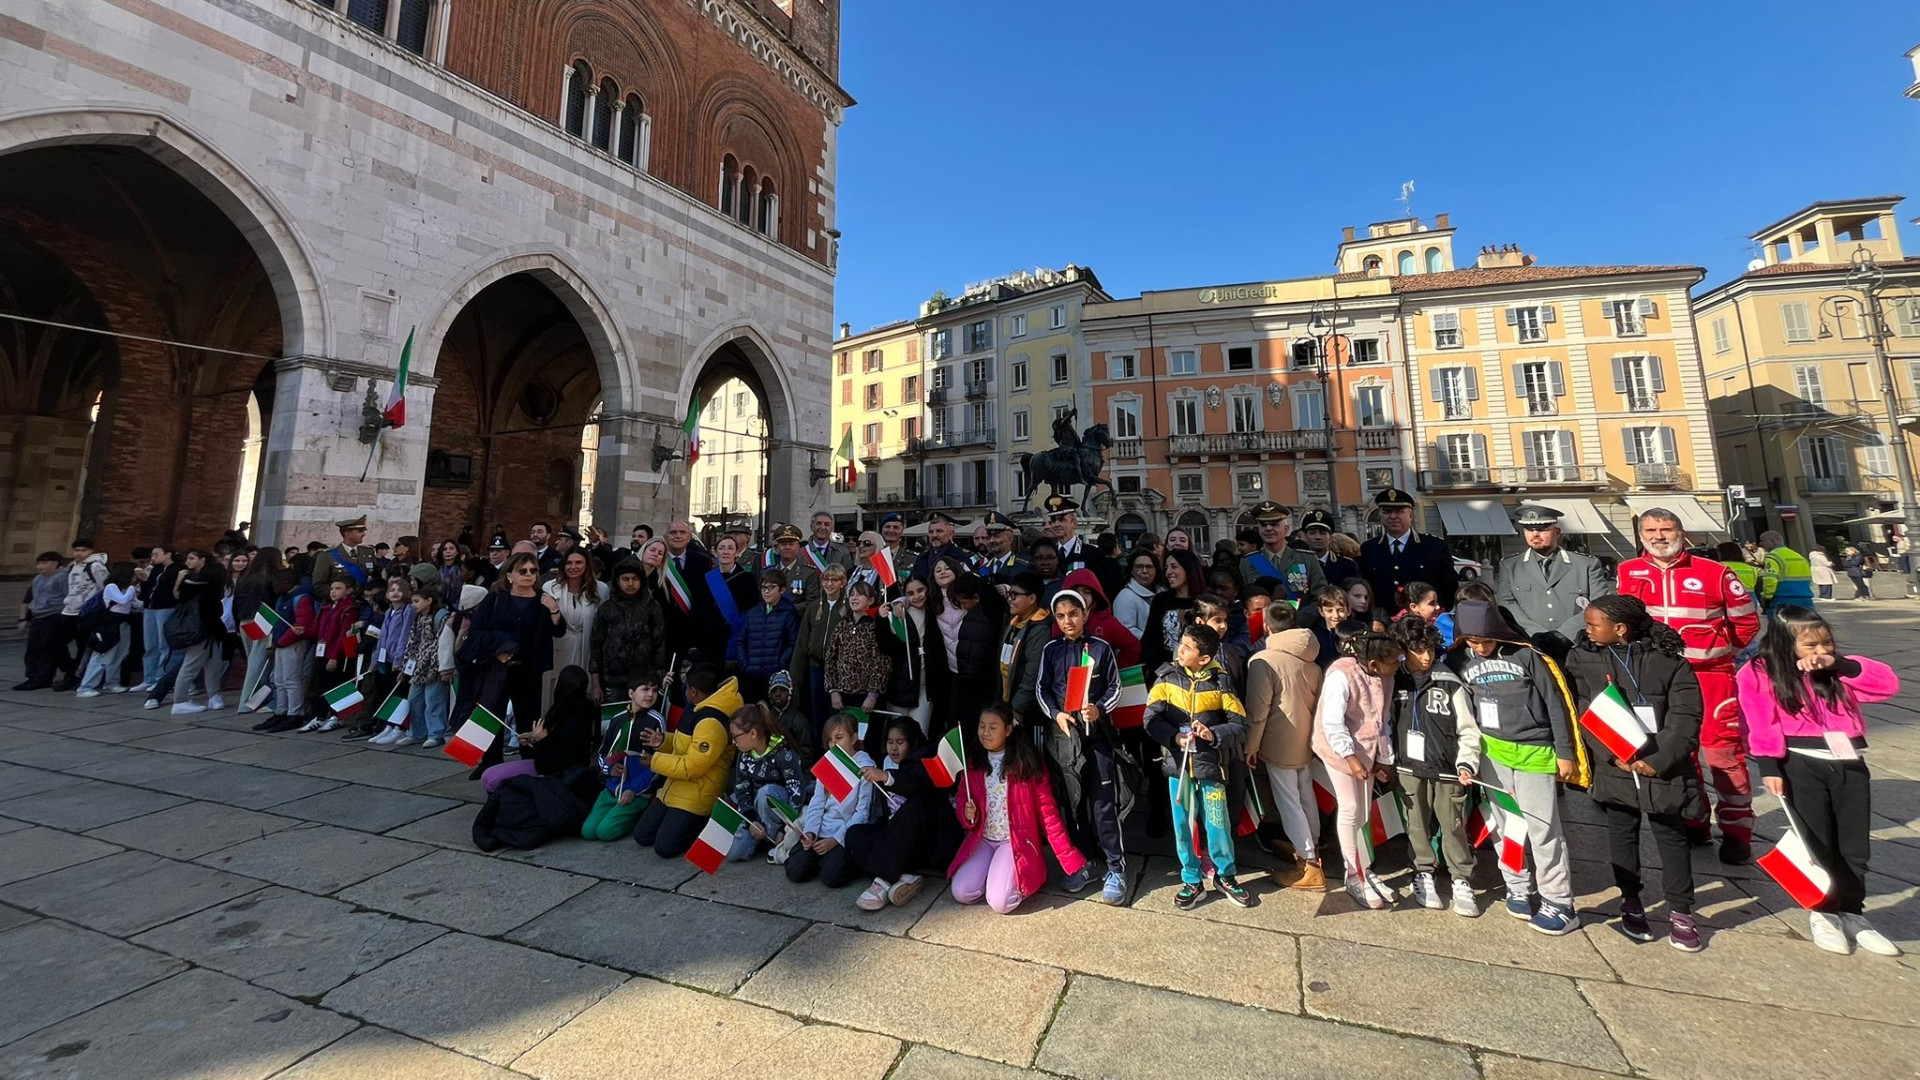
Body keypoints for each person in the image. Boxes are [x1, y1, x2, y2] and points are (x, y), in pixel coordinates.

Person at [1739, 605, 1901, 955]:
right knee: (1817, 843)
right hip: (1801, 763)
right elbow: (1760, 719)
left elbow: (1886, 685)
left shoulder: (1838, 668)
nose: (1820, 651)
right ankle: (1823, 912)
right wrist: (1769, 766)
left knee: (1854, 844)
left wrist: (1838, 666)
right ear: (1786, 644)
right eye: (1810, 645)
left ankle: (1853, 911)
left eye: (1826, 643)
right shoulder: (1759, 671)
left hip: (1848, 762)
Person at [1616, 507, 1760, 863]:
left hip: (1710, 675)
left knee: (1723, 753)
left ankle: (1737, 830)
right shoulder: (1627, 571)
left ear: (1681, 532)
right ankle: (1693, 818)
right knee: (1678, 752)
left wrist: (1720, 653)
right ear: (1641, 535)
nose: (1659, 536)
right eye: (1651, 530)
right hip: (1658, 678)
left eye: (1666, 529)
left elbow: (1746, 624)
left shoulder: (1715, 572)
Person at [1566, 595, 1706, 951]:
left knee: (1670, 835)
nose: (1587, 630)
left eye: (1594, 624)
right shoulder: (1583, 657)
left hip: (1664, 763)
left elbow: (1686, 713)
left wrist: (1660, 757)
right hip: (1616, 761)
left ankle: (1681, 910)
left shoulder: (1669, 661)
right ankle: (1631, 899)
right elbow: (1583, 707)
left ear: (1620, 628)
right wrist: (1612, 755)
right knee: (1621, 833)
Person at [1449, 600, 1582, 935]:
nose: (1480, 647)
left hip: (1535, 752)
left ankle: (1559, 900)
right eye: (1473, 641)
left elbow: (1556, 703)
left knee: (1543, 829)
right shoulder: (1461, 659)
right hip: (1493, 755)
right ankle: (1517, 884)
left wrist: (1565, 752)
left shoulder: (1528, 656)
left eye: (1486, 640)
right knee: (1506, 826)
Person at [1146, 623, 1254, 908]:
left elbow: (1240, 725)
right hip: (1176, 768)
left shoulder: (1221, 681)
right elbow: (1150, 718)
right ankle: (1192, 878)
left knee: (1218, 824)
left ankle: (1225, 875)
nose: (1180, 649)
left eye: (1187, 647)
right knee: (1183, 825)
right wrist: (1174, 737)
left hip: (1211, 767)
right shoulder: (1166, 677)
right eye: (1181, 643)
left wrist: (1213, 734)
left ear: (1204, 658)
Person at [949, 703, 1088, 914]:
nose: (985, 733)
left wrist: (1069, 858)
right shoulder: (973, 762)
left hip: (1014, 842)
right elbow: (962, 799)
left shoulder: (1027, 764)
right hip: (983, 839)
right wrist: (966, 814)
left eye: (993, 727)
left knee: (1000, 903)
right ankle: (997, 874)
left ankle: (1024, 876)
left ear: (1008, 730)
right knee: (961, 892)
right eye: (982, 726)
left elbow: (1048, 813)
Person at [1037, 587, 1127, 904]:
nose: (1067, 621)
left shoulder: (1101, 648)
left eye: (1073, 614)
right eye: (1061, 616)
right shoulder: (1050, 650)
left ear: (1085, 614)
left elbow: (1115, 687)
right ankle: (1085, 862)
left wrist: (1099, 708)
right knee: (1073, 804)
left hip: (1097, 736)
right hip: (1065, 738)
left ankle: (1116, 866)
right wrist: (1057, 714)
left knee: (1103, 802)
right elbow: (1042, 689)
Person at [1387, 615, 1481, 917]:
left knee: (1453, 825)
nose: (1426, 656)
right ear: (1403, 650)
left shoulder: (1450, 682)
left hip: (1447, 768)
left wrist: (1467, 760)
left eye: (1429, 649)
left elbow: (1468, 727)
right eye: (1418, 650)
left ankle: (1461, 878)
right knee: (1415, 824)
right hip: (1408, 768)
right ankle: (1422, 871)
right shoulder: (1394, 681)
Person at [1311, 622, 1401, 910]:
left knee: (1363, 809)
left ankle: (1365, 865)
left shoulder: (1385, 676)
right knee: (1349, 808)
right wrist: (1349, 757)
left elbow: (1382, 720)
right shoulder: (1341, 674)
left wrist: (1385, 759)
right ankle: (1354, 874)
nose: (1397, 667)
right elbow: (1332, 721)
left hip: (1368, 750)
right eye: (1392, 663)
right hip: (1339, 750)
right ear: (1374, 662)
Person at [461, 551, 566, 771]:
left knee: (528, 718)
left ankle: (528, 764)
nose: (529, 575)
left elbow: (558, 631)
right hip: (497, 667)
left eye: (533, 571)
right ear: (509, 575)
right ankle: (490, 764)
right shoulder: (496, 598)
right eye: (523, 571)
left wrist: (554, 609)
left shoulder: (542, 600)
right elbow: (478, 631)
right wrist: (498, 651)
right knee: (491, 714)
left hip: (529, 669)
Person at [1245, 620, 1325, 889]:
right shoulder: (1312, 661)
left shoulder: (1263, 660)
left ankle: (1309, 863)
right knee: (1305, 797)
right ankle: (1311, 848)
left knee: (1289, 802)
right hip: (1306, 740)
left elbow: (1258, 711)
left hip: (1278, 741)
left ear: (1268, 627)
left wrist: (1251, 746)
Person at [631, 667, 736, 858]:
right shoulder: (698, 710)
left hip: (697, 795)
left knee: (665, 848)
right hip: (675, 787)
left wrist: (655, 761)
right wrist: (662, 741)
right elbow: (686, 744)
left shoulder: (711, 723)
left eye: (686, 688)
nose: (685, 692)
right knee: (642, 836)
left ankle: (703, 822)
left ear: (694, 691)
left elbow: (691, 767)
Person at [849, 716, 947, 911]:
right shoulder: (883, 761)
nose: (894, 748)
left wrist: (885, 776)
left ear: (912, 743)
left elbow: (916, 782)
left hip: (920, 841)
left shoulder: (925, 761)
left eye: (900, 742)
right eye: (890, 742)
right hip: (893, 838)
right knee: (855, 834)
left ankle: (883, 881)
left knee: (914, 805)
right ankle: (904, 877)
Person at [1495, 504, 1614, 660]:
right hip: (1532, 647)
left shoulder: (1585, 564)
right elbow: (1506, 605)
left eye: (1543, 528)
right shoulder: (1510, 566)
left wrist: (1564, 634)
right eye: (1529, 529)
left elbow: (1600, 604)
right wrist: (1535, 634)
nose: (1535, 534)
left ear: (1557, 532)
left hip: (1577, 646)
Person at [786, 713, 875, 886]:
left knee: (832, 877)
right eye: (830, 740)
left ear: (854, 737)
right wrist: (811, 831)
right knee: (795, 871)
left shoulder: (865, 767)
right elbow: (817, 802)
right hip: (822, 828)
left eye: (839, 738)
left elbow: (862, 813)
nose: (834, 744)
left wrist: (835, 840)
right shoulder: (829, 761)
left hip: (845, 832)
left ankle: (835, 861)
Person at [923, 561, 1002, 740]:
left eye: (964, 602)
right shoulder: (936, 601)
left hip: (977, 679)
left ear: (975, 598)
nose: (962, 605)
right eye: (937, 570)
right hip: (957, 674)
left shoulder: (984, 612)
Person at [722, 702, 809, 862]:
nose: (734, 742)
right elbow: (741, 789)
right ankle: (763, 837)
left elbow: (796, 794)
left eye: (735, 736)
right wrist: (751, 821)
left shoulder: (784, 753)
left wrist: (786, 828)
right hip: (756, 812)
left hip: (780, 812)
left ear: (753, 733)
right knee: (733, 853)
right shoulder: (744, 754)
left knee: (766, 793)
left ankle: (775, 837)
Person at [582, 683, 664, 842]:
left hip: (638, 792)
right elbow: (603, 752)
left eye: (654, 690)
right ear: (631, 693)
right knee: (589, 831)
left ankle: (637, 817)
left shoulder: (656, 721)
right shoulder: (616, 719)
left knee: (605, 832)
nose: (650, 695)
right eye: (645, 689)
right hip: (612, 788)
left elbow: (658, 763)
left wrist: (633, 790)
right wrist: (609, 769)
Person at [1359, 488, 1458, 611]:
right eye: (1387, 512)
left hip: (1424, 622)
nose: (1393, 516)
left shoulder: (1433, 546)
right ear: (1380, 516)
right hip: (1384, 621)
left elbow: (1449, 587)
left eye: (1399, 511)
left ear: (1411, 515)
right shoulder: (1369, 549)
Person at [155, 550, 228, 714]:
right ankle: (180, 700)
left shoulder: (199, 581)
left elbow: (179, 596)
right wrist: (180, 579)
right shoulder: (196, 582)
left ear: (202, 560)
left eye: (192, 558)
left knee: (213, 664)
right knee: (192, 665)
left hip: (208, 628)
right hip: (201, 628)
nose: (188, 561)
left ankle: (213, 696)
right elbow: (179, 596)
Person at [823, 580, 899, 738]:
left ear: (870, 600)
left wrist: (873, 695)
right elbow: (830, 658)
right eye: (851, 594)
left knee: (866, 741)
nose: (854, 598)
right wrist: (833, 690)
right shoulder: (842, 625)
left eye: (860, 594)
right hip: (843, 697)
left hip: (867, 699)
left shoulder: (876, 626)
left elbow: (882, 662)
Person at [590, 556, 668, 707]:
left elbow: (660, 643)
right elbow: (595, 646)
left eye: (635, 579)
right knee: (614, 724)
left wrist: (658, 679)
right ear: (617, 581)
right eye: (625, 579)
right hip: (612, 681)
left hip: (644, 681)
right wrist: (595, 685)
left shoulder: (651, 607)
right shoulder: (606, 608)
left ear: (642, 581)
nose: (630, 583)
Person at [543, 549, 607, 709]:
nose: (573, 567)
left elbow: (601, 628)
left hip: (585, 652)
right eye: (569, 563)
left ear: (587, 565)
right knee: (553, 699)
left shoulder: (601, 590)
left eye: (578, 562)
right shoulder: (550, 587)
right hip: (557, 651)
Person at [397, 582, 456, 748]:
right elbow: (413, 643)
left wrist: (435, 668)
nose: (413, 605)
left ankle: (435, 733)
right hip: (418, 668)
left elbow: (441, 645)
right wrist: (406, 667)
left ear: (429, 600)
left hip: (434, 668)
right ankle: (416, 732)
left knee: (434, 701)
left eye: (416, 601)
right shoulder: (418, 618)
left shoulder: (441, 617)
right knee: (414, 700)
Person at [791, 563, 847, 735]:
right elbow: (802, 642)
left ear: (842, 583)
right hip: (816, 667)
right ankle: (817, 753)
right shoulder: (814, 607)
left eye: (834, 580)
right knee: (817, 713)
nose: (829, 584)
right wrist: (795, 675)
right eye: (826, 579)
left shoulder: (848, 608)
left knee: (836, 714)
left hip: (839, 670)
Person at [729, 571, 800, 704]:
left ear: (782, 590)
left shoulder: (788, 614)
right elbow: (741, 641)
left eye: (771, 587)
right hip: (752, 675)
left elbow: (793, 643)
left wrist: (780, 664)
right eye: (763, 587)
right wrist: (745, 665)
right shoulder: (753, 613)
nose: (766, 592)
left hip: (775, 676)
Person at [1238, 502, 1328, 605]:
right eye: (1263, 525)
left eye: (1274, 524)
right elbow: (1245, 600)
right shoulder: (1247, 562)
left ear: (1286, 529)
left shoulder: (1307, 559)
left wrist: (1302, 618)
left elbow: (1320, 597)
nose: (1268, 528)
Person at [1000, 572, 1053, 735]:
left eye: (1015, 595)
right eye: (1009, 594)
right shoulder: (1012, 622)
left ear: (1032, 598)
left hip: (1029, 713)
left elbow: (1032, 674)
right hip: (1007, 704)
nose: (1010, 599)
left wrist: (1017, 708)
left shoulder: (1040, 629)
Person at [75, 562, 139, 697]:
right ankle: (86, 686)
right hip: (109, 624)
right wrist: (132, 589)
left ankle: (112, 683)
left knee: (119, 654)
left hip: (124, 623)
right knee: (104, 655)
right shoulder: (111, 587)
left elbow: (135, 603)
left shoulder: (125, 589)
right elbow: (122, 600)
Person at [1141, 549, 1206, 677]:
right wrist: (1160, 669)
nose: (1169, 572)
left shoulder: (1204, 602)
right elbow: (1149, 639)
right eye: (1166, 567)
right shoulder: (1161, 600)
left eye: (1174, 566)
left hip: (1199, 673)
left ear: (1189, 569)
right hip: (1165, 674)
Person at [56, 539, 110, 690]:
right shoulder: (73, 566)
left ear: (90, 551)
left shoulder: (95, 566)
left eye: (83, 550)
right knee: (55, 642)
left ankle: (75, 676)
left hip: (86, 611)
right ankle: (70, 668)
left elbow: (103, 587)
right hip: (69, 609)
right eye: (76, 550)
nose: (79, 553)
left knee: (83, 647)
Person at [16, 552, 70, 691]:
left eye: (45, 563)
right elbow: (31, 599)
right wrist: (25, 617)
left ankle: (46, 676)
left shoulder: (62, 577)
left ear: (56, 563)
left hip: (53, 615)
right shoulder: (38, 579)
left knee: (50, 647)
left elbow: (67, 596)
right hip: (38, 615)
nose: (40, 567)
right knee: (33, 648)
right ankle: (33, 676)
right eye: (39, 563)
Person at [310, 515, 378, 598]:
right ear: (348, 534)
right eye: (360, 531)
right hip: (340, 605)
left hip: (365, 604)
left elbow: (377, 576)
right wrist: (338, 595)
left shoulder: (368, 552)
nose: (363, 534)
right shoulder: (327, 555)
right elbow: (319, 585)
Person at [1292, 509, 1358, 586]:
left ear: (1330, 538)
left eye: (1322, 533)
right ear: (1306, 537)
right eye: (1312, 533)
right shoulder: (1297, 565)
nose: (1317, 537)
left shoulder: (1347, 565)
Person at [765, 523, 822, 606]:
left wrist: (787, 610)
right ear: (777, 547)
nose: (787, 547)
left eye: (791, 544)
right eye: (783, 544)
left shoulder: (809, 573)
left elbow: (811, 602)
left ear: (798, 546)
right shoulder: (768, 572)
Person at [1758, 530, 1815, 613]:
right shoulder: (1798, 556)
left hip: (1782, 599)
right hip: (1805, 598)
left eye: (1762, 540)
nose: (1760, 544)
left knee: (1781, 625)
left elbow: (1770, 579)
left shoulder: (1773, 556)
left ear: (1772, 540)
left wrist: (1766, 597)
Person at [766, 671, 815, 764]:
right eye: (774, 690)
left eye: (782, 690)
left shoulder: (799, 720)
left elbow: (807, 753)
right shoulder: (766, 717)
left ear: (790, 693)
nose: (777, 694)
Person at [1114, 549, 1160, 639]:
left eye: (1149, 567)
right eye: (1139, 567)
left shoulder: (1162, 591)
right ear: (1132, 571)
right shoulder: (1125, 597)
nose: (1144, 571)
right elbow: (1126, 630)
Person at [911, 511, 967, 583]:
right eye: (931, 532)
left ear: (950, 534)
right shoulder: (921, 558)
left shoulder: (961, 557)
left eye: (939, 531)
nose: (934, 535)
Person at [976, 511, 1028, 585]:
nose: (991, 540)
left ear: (1010, 539)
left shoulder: (1023, 567)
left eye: (996, 536)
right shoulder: (983, 569)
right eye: (989, 537)